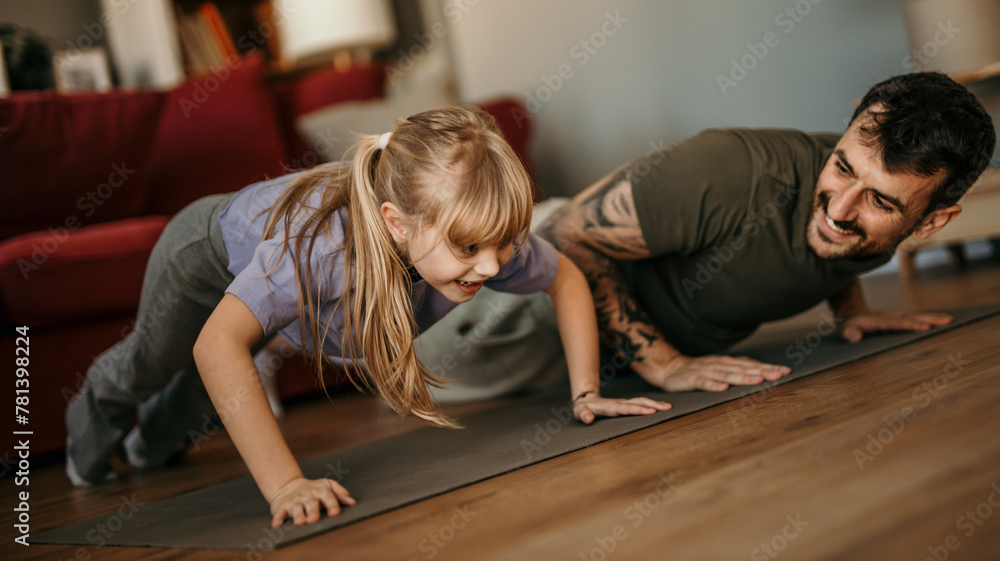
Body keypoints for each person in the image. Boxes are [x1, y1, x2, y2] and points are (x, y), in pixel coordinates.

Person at [65, 106, 669, 528]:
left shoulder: (483, 242)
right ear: (397, 223)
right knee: (156, 361)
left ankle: (148, 452)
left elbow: (564, 278)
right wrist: (287, 486)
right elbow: (214, 346)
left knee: (192, 406)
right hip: (205, 254)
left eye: (503, 243)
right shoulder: (325, 250)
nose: (490, 267)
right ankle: (86, 447)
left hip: (291, 277)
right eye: (468, 250)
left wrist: (586, 392)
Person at [414, 72, 996, 399]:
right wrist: (665, 365)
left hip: (606, 351)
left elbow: (837, 246)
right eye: (841, 166)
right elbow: (567, 238)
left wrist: (852, 309)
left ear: (931, 221)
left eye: (879, 200)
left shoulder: (862, 213)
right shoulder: (734, 169)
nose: (839, 208)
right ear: (840, 140)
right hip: (503, 298)